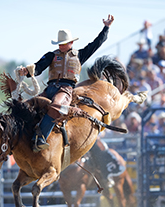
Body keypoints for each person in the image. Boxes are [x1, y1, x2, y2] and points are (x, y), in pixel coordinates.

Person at [19, 15, 114, 152]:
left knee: (56, 107)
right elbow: (38, 66)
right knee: (29, 105)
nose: (61, 45)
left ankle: (40, 137)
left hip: (65, 90)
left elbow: (97, 43)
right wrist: (26, 71)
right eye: (60, 43)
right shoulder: (51, 55)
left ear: (71, 43)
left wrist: (106, 27)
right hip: (50, 88)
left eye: (64, 43)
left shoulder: (80, 55)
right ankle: (20, 137)